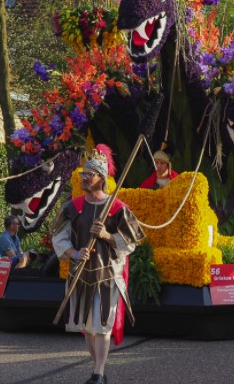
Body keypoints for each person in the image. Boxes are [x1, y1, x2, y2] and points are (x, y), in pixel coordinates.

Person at [52, 147, 145, 384]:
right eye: (83, 173)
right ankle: (97, 368)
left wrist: (106, 235)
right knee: (88, 327)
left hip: (107, 275)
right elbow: (59, 238)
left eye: (89, 174)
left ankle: (99, 373)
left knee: (102, 326)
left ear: (101, 178)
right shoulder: (72, 207)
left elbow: (132, 241)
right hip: (80, 274)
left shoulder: (117, 208)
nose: (84, 178)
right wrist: (74, 253)